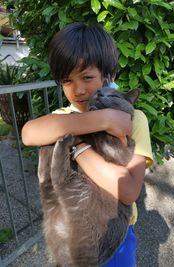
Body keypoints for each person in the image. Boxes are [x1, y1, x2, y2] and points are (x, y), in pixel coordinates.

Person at [22, 22, 153, 267]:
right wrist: (102, 119)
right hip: (71, 234)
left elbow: (128, 190)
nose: (78, 90)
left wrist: (78, 146)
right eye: (67, 81)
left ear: (110, 75)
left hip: (115, 236)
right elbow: (29, 134)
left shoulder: (133, 119)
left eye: (87, 77)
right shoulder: (64, 115)